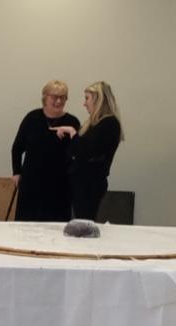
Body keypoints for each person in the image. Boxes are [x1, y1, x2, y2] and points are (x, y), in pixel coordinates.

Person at [10, 80, 79, 222]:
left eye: (63, 97)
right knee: (26, 226)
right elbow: (17, 147)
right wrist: (16, 172)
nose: (59, 101)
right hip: (31, 182)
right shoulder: (32, 118)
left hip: (60, 185)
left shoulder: (72, 122)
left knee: (55, 227)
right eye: (54, 97)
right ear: (45, 98)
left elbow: (78, 153)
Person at [68, 81, 123, 221]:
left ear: (98, 99)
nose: (84, 103)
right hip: (81, 183)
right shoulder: (94, 123)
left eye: (87, 98)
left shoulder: (109, 124)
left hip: (90, 185)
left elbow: (85, 151)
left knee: (84, 224)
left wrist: (73, 133)